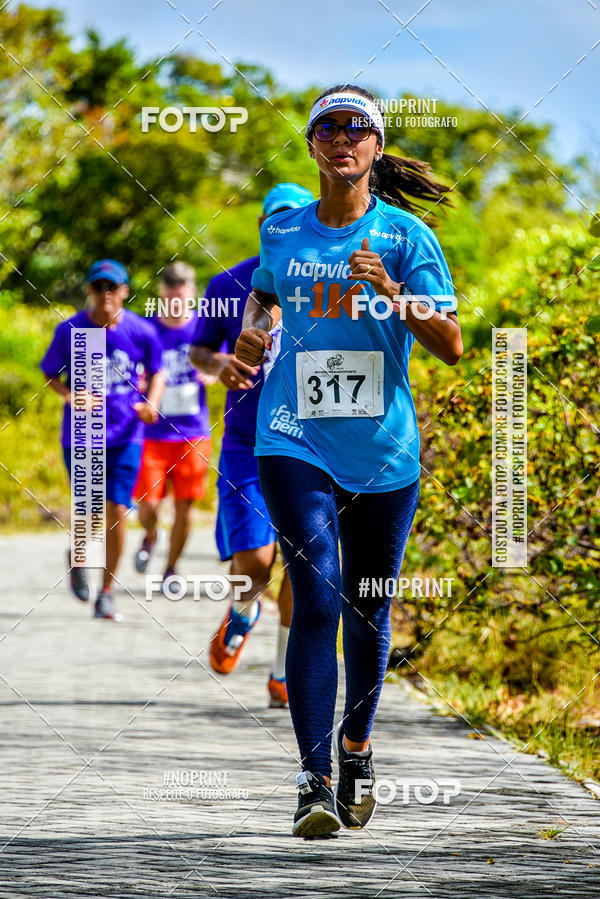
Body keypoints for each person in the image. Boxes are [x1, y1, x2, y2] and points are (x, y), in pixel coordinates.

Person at [235, 85, 463, 836]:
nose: (342, 139)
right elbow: (265, 296)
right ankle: (313, 777)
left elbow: (452, 344)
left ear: (374, 146)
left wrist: (395, 294)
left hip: (383, 452)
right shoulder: (284, 231)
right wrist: (250, 337)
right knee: (319, 598)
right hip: (292, 433)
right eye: (327, 128)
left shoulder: (404, 238)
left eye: (356, 128)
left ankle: (357, 746)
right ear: (310, 144)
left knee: (367, 609)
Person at [190, 183, 314, 709]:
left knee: (306, 562)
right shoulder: (227, 283)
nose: (283, 229)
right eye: (274, 221)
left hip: (314, 441)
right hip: (247, 441)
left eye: (293, 218)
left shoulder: (329, 282)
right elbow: (197, 349)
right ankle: (243, 609)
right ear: (263, 226)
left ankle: (284, 671)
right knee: (257, 561)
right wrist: (218, 364)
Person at [40, 259, 164, 620]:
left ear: (125, 291)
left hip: (127, 435)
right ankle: (78, 557)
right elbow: (49, 373)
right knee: (90, 511)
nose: (105, 295)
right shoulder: (72, 330)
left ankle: (107, 591)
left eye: (113, 287)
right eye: (98, 287)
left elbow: (158, 372)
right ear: (89, 291)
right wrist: (69, 395)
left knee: (116, 511)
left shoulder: (141, 330)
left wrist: (152, 404)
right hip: (83, 435)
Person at [133, 262, 212, 589]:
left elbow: (220, 362)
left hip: (193, 433)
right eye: (170, 297)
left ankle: (171, 569)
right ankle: (150, 534)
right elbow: (132, 365)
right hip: (152, 433)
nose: (176, 303)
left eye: (182, 296)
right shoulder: (147, 329)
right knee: (148, 505)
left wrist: (214, 373)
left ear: (192, 294)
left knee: (184, 505)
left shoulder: (203, 329)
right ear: (162, 295)